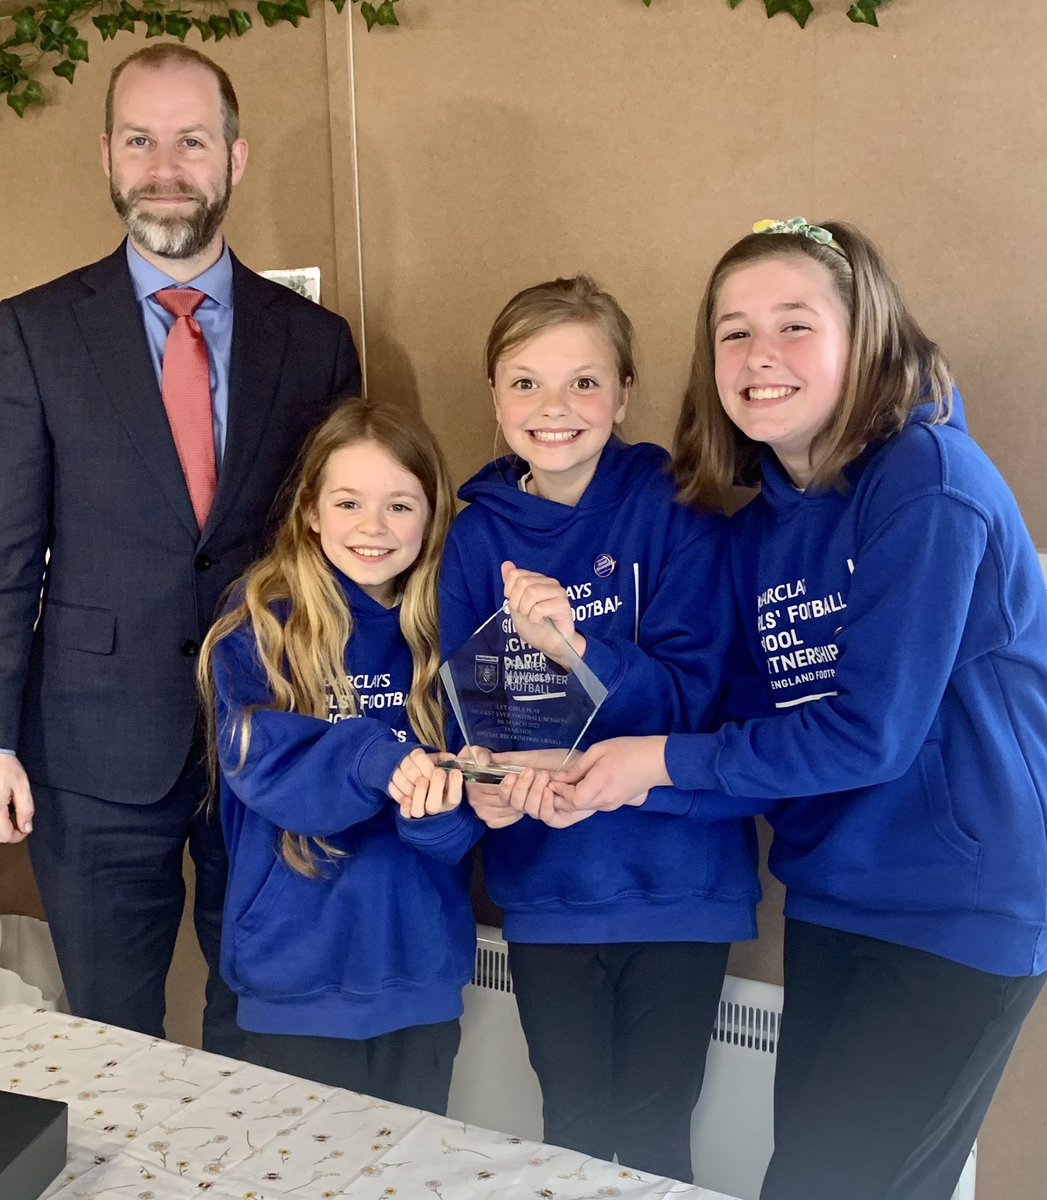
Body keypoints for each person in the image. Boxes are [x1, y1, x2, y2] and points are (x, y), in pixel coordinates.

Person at [553, 220, 1047, 1200]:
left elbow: (872, 734)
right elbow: (728, 737)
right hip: (835, 899)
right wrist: (594, 779)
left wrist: (654, 764)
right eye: (733, 332)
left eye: (794, 324)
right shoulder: (757, 533)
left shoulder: (928, 484)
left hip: (962, 909)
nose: (759, 356)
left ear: (864, 337)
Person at [0, 43, 360, 1056]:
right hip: (91, 751)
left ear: (235, 159)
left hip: (271, 738)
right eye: (142, 141)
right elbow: (6, 554)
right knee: (114, 1037)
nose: (166, 167)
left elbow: (335, 558)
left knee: (262, 1026)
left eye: (191, 141)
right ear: (107, 156)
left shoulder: (317, 341)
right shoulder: (30, 334)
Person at [438, 275, 758, 1182]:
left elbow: (696, 701)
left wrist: (576, 645)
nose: (554, 407)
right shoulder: (473, 540)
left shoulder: (679, 509)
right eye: (526, 381)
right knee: (571, 1126)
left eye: (584, 382)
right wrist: (496, 780)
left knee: (658, 1133)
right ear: (494, 396)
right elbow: (479, 726)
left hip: (680, 885)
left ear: (623, 393)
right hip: (549, 890)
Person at [199, 399, 477, 1112]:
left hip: (417, 975)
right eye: (348, 502)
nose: (373, 528)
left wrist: (434, 810)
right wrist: (380, 760)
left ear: (433, 515)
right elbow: (265, 764)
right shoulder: (260, 620)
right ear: (311, 512)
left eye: (399, 505)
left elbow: (462, 826)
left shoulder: (450, 633)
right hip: (294, 979)